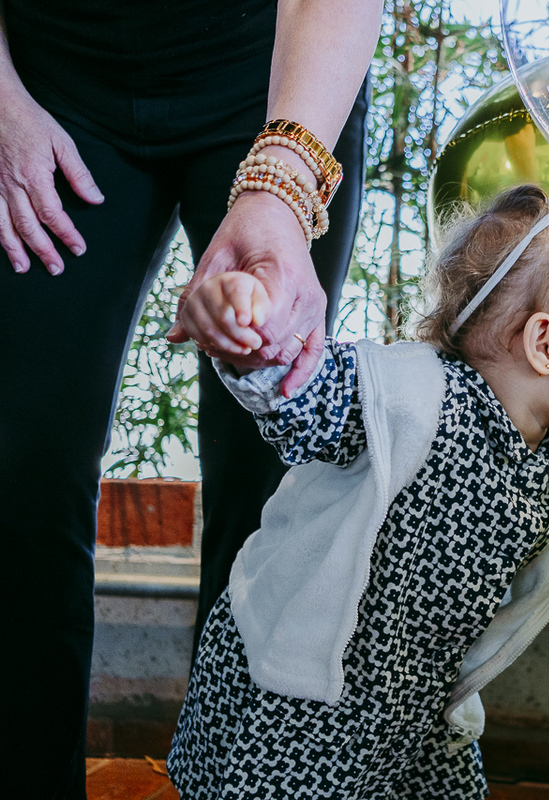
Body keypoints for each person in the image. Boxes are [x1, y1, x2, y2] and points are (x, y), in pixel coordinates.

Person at [0, 2, 380, 796]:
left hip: (273, 80)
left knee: (268, 487)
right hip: (42, 81)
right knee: (17, 472)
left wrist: (281, 186)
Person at [166, 185, 549, 797]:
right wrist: (253, 337)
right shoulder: (412, 397)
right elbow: (308, 397)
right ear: (543, 343)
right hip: (305, 704)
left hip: (413, 710)